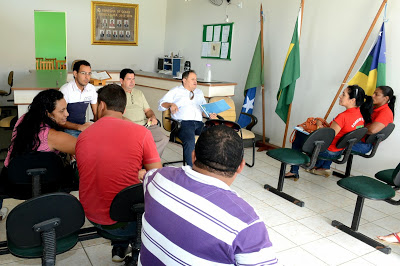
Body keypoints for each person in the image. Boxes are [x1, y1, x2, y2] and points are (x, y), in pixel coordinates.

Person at [139, 125, 278, 265]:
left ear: (193, 156)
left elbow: (146, 175)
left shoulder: (156, 177)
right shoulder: (247, 224)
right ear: (241, 166)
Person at [76, 84, 162, 263]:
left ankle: (120, 245)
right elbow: (157, 176)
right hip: (127, 219)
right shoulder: (142, 133)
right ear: (123, 109)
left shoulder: (83, 136)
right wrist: (141, 173)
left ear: (101, 106)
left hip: (92, 217)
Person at [0, 89, 76, 220]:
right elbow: (86, 149)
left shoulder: (24, 120)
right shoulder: (52, 136)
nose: (67, 114)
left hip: (12, 181)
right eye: (62, 111)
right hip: (47, 185)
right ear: (48, 114)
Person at [285, 85, 369, 179]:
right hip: (340, 151)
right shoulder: (360, 116)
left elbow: (327, 138)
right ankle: (313, 166)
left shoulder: (343, 117)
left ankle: (294, 171)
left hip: (328, 151)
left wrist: (318, 127)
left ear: (352, 100)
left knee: (298, 135)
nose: (340, 96)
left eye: (343, 94)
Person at [158, 70, 216, 166]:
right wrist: (171, 104)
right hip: (182, 124)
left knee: (214, 134)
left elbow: (203, 111)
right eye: (192, 79)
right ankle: (191, 169)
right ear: (184, 80)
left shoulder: (199, 92)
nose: (195, 81)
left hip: (198, 123)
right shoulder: (176, 91)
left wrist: (209, 115)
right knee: (190, 140)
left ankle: (208, 165)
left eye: (196, 79)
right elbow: (161, 104)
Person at [120, 68, 169, 157]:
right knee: (136, 144)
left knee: (163, 139)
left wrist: (153, 117)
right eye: (129, 79)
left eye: (133, 79)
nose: (132, 82)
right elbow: (116, 115)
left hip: (146, 125)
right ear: (121, 81)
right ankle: (145, 160)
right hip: (129, 127)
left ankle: (149, 161)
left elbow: (148, 110)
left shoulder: (139, 93)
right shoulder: (118, 94)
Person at [352, 86, 396, 154]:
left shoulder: (386, 113)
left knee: (333, 144)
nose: (372, 96)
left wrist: (354, 128)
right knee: (333, 141)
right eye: (373, 93)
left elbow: (372, 130)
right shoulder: (374, 108)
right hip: (358, 139)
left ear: (386, 98)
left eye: (376, 94)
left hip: (364, 144)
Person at [60, 60, 97, 138]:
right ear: (75, 73)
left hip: (83, 128)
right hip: (67, 129)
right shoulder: (65, 90)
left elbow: (96, 114)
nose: (87, 77)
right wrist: (79, 127)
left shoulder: (91, 89)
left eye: (89, 73)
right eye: (83, 73)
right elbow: (59, 120)